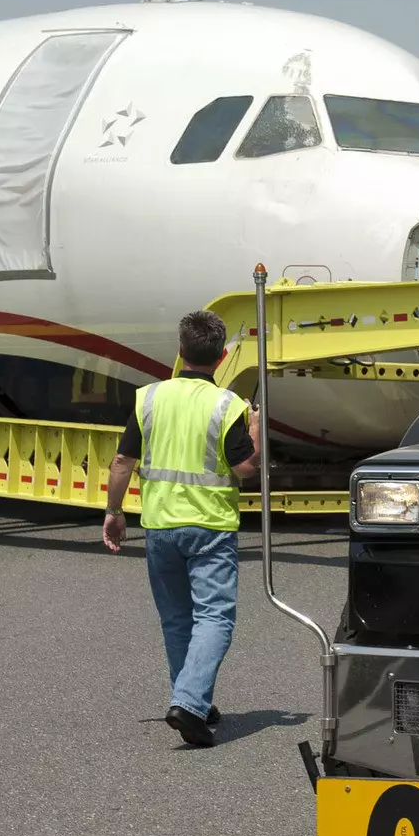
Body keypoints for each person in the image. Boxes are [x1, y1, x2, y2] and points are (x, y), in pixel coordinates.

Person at [101, 310, 259, 747]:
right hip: (209, 526)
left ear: (179, 351)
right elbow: (246, 468)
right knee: (215, 618)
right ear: (223, 355)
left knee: (176, 619)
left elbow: (121, 462)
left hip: (160, 526)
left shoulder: (147, 398)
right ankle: (189, 703)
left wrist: (114, 511)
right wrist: (258, 433)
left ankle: (192, 700)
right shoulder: (229, 405)